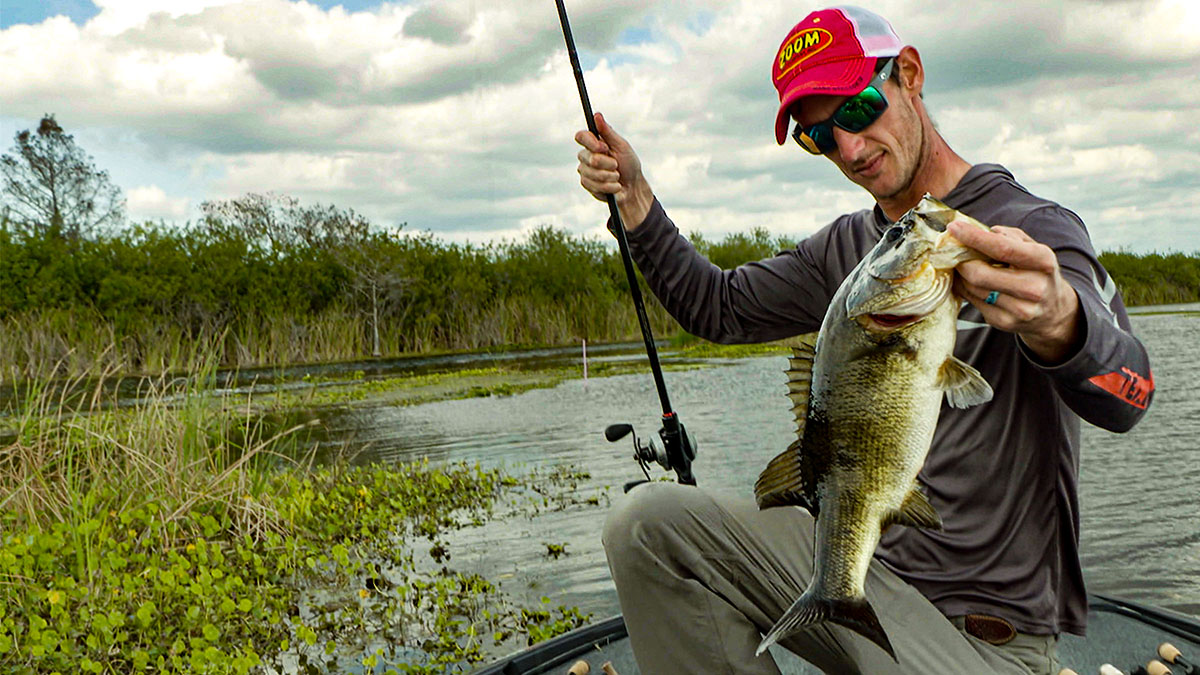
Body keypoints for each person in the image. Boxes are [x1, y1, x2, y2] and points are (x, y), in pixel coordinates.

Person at [573, 6, 1155, 674]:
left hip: (979, 635)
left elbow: (1130, 393)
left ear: (909, 74)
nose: (849, 148)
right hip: (864, 573)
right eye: (818, 135)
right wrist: (636, 199)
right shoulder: (851, 255)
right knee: (645, 527)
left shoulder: (1032, 227)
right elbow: (718, 307)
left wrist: (1061, 321)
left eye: (858, 108)